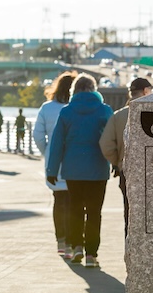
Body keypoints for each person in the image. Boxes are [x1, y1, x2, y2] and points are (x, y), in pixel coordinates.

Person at [46, 74, 113, 268]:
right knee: (94, 212)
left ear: (74, 90)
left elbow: (57, 143)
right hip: (98, 169)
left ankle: (76, 248)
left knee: (74, 209)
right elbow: (112, 140)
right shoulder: (105, 111)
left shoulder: (67, 112)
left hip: (73, 170)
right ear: (94, 89)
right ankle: (91, 255)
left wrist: (52, 169)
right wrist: (116, 163)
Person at [100, 77, 153, 237]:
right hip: (152, 173)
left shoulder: (119, 116)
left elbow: (106, 144)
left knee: (129, 214)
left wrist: (117, 162)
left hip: (127, 172)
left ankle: (129, 250)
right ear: (145, 91)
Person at [33, 71, 75, 254]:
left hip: (54, 161)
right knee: (74, 202)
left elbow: (37, 136)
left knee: (59, 201)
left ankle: (61, 241)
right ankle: (74, 242)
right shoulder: (75, 108)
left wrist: (48, 152)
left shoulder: (46, 108)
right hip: (75, 160)